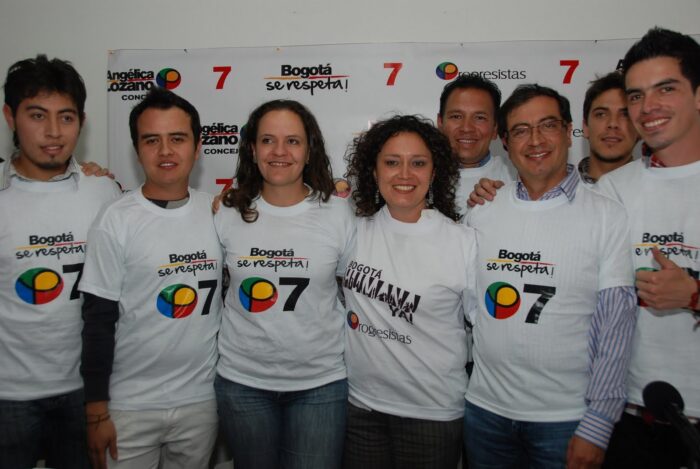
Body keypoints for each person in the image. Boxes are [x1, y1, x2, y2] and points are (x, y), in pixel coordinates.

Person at [464, 84, 636, 468]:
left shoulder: (607, 214)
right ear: (505, 143)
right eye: (521, 130)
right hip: (484, 412)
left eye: (547, 125)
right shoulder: (483, 210)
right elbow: (470, 303)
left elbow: (616, 325)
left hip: (566, 420)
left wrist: (598, 423)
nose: (536, 140)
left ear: (569, 130)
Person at [80, 88, 222, 469]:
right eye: (151, 140)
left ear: (198, 146)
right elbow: (97, 320)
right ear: (136, 149)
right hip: (127, 405)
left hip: (200, 402)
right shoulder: (115, 219)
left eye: (177, 138)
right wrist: (96, 411)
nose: (165, 151)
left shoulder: (218, 213)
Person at [214, 99, 355, 469]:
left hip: (320, 385)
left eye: (292, 141)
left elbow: (352, 291)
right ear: (252, 149)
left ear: (309, 150)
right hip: (242, 384)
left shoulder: (338, 214)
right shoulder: (226, 212)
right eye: (268, 140)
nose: (279, 152)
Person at [0, 55, 121, 469]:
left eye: (66, 117)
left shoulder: (103, 191)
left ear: (81, 122)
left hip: (87, 395)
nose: (53, 132)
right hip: (8, 397)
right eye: (37, 115)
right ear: (10, 117)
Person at [342, 114, 478, 469]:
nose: (404, 174)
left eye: (418, 163)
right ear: (374, 171)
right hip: (360, 408)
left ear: (435, 172)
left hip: (431, 413)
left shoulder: (462, 241)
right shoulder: (352, 232)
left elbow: (486, 327)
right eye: (392, 162)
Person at [597, 27, 700, 469]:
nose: (648, 106)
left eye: (666, 89)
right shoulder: (612, 189)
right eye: (636, 95)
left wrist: (694, 294)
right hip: (631, 416)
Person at [437, 74, 515, 215]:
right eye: (456, 116)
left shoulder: (516, 177)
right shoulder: (416, 177)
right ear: (440, 123)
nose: (467, 128)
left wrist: (509, 202)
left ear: (495, 128)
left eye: (479, 118)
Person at [579, 71, 639, 184]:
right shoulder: (555, 189)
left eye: (625, 115)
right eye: (601, 114)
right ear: (585, 127)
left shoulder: (659, 191)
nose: (613, 123)